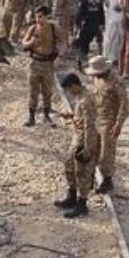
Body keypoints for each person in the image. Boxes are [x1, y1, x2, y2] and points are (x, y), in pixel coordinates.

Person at [83, 57, 129, 194]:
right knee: (91, 148)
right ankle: (90, 176)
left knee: (106, 152)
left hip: (109, 121)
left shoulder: (117, 82)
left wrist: (119, 124)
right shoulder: (97, 79)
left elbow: (124, 105)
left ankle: (107, 179)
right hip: (96, 117)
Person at [56, 73, 99, 218]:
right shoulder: (80, 97)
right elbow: (81, 119)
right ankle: (72, 197)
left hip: (84, 139)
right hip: (77, 137)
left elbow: (90, 126)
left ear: (74, 85)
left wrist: (88, 148)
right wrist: (71, 116)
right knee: (69, 167)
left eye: (69, 89)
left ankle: (82, 204)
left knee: (82, 172)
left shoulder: (86, 100)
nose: (69, 93)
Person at [22, 6, 62, 127]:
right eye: (36, 16)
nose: (38, 19)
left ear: (46, 17)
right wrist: (31, 42)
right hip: (34, 62)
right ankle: (31, 117)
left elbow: (63, 42)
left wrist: (59, 56)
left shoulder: (53, 28)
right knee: (33, 91)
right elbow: (24, 44)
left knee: (47, 91)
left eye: (40, 16)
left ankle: (46, 115)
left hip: (48, 63)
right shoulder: (33, 28)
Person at [103, 0, 129, 66]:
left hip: (110, 15)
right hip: (118, 17)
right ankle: (113, 59)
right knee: (118, 39)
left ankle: (106, 56)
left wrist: (108, 5)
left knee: (109, 37)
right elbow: (121, 3)